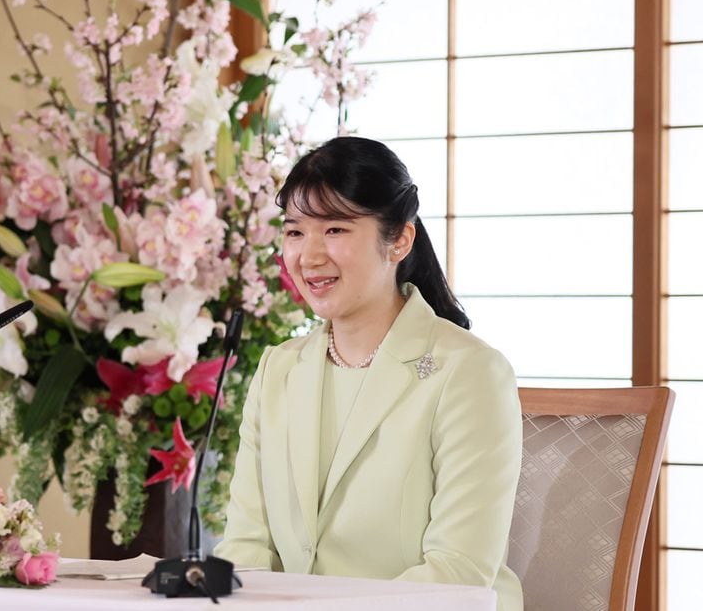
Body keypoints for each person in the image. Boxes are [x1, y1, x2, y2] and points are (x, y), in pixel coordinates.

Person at [214, 137, 523, 611]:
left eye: (335, 230)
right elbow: (245, 546)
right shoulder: (279, 369)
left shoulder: (469, 372)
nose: (309, 255)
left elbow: (458, 571)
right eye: (295, 232)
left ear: (399, 239)